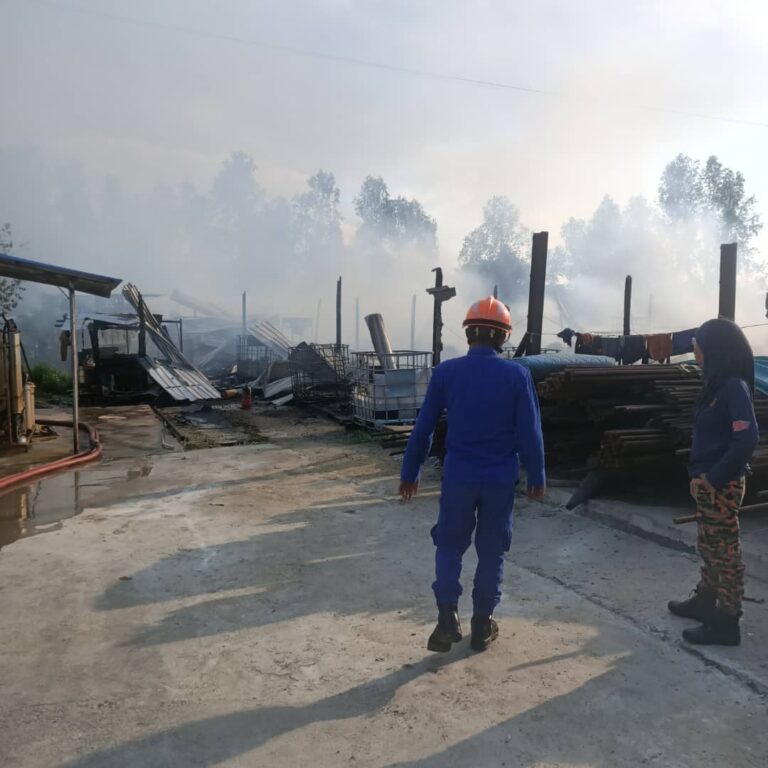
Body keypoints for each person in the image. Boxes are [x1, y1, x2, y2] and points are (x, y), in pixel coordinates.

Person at [399, 297, 546, 653]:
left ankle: (447, 618)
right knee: (492, 551)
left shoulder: (446, 373)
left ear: (468, 333)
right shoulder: (517, 375)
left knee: (449, 544)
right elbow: (530, 432)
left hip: (459, 478)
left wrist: (411, 471)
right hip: (499, 480)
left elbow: (423, 428)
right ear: (503, 336)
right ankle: (482, 625)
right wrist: (536, 475)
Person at [668, 318, 759, 646]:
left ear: (716, 348)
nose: (694, 349)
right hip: (707, 484)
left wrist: (714, 478)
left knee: (725, 553)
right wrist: (700, 477)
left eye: (699, 344)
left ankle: (727, 621)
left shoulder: (734, 387)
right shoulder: (715, 386)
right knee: (709, 546)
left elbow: (746, 438)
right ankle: (706, 600)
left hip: (722, 485)